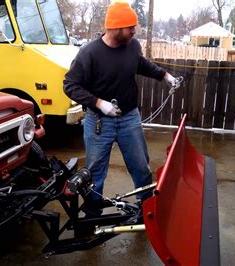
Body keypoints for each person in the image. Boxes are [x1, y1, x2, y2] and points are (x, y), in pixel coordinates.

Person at [63, 0, 177, 216]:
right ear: (115, 27)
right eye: (130, 27)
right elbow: (70, 85)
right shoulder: (90, 53)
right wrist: (98, 103)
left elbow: (140, 63)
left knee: (141, 167)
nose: (134, 31)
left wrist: (164, 75)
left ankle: (147, 210)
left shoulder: (132, 46)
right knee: (95, 174)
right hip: (98, 122)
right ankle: (92, 216)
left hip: (129, 119)